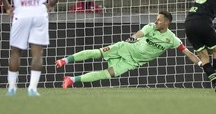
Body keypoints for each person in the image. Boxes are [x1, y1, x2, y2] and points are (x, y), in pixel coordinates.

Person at [58, 11, 201, 88]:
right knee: (98, 53)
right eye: (156, 19)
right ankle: (65, 60)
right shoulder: (150, 27)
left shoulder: (172, 39)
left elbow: (188, 53)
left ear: (167, 22)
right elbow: (138, 35)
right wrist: (127, 41)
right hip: (125, 48)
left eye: (159, 20)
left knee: (107, 74)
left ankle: (71, 79)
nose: (156, 21)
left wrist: (202, 64)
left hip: (132, 62)